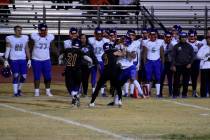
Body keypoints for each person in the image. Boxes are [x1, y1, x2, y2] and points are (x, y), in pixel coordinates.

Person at [89, 43, 122, 107]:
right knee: (118, 86)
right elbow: (122, 54)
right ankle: (120, 101)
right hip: (113, 72)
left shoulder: (103, 55)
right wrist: (120, 49)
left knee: (98, 87)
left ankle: (92, 102)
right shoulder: (113, 51)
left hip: (106, 73)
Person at [63, 39, 93, 107]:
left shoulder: (67, 50)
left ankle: (73, 95)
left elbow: (61, 57)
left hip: (69, 70)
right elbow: (86, 57)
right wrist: (91, 61)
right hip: (77, 70)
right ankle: (75, 95)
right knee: (77, 84)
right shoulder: (80, 51)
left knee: (69, 85)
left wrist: (61, 62)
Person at [4, 25, 31, 96]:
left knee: (24, 76)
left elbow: (27, 48)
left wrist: (29, 59)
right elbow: (8, 49)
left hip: (22, 59)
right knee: (16, 75)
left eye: (20, 30)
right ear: (14, 31)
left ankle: (19, 90)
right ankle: (15, 92)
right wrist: (6, 59)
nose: (19, 32)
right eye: (18, 30)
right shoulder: (10, 38)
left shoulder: (25, 38)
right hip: (14, 59)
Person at [30, 23, 56, 97]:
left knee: (48, 76)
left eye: (45, 31)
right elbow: (30, 47)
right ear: (39, 30)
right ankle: (36, 91)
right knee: (37, 76)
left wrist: (59, 55)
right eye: (42, 31)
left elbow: (53, 48)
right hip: (36, 60)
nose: (44, 32)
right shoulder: (34, 36)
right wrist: (29, 58)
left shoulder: (50, 37)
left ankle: (48, 91)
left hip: (46, 60)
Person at [171, 32, 195, 98]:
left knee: (186, 81)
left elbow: (193, 56)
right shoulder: (176, 46)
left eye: (184, 37)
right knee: (176, 81)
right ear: (180, 38)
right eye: (182, 37)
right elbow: (173, 56)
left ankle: (184, 94)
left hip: (186, 66)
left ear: (186, 38)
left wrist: (190, 63)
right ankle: (175, 94)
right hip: (178, 66)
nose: (183, 39)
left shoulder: (189, 46)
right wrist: (173, 65)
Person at [143, 28, 165, 98]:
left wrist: (163, 63)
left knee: (158, 78)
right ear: (149, 35)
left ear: (156, 35)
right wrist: (144, 63)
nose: (153, 36)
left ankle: (158, 93)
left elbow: (162, 54)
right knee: (148, 78)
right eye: (151, 35)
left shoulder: (160, 42)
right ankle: (147, 93)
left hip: (157, 61)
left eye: (154, 35)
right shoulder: (146, 42)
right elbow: (144, 54)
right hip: (149, 61)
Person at [88, 27, 109, 96]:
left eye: (100, 34)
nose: (99, 35)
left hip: (102, 61)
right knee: (93, 76)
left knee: (103, 76)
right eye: (98, 34)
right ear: (95, 34)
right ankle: (94, 91)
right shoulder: (91, 40)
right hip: (94, 60)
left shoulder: (106, 40)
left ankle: (102, 92)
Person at [187, 29, 202, 97]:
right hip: (187, 62)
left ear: (196, 36)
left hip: (196, 62)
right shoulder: (186, 43)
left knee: (194, 78)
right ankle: (184, 92)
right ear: (188, 36)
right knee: (186, 77)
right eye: (191, 36)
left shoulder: (200, 43)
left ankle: (194, 91)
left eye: (193, 36)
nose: (192, 37)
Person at [160, 31, 174, 97]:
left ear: (171, 38)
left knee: (170, 79)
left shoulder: (172, 45)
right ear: (164, 37)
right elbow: (162, 54)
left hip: (170, 63)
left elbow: (174, 56)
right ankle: (160, 93)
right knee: (161, 78)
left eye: (169, 37)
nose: (168, 38)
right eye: (167, 37)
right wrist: (167, 50)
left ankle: (171, 93)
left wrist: (173, 65)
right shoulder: (161, 44)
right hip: (162, 63)